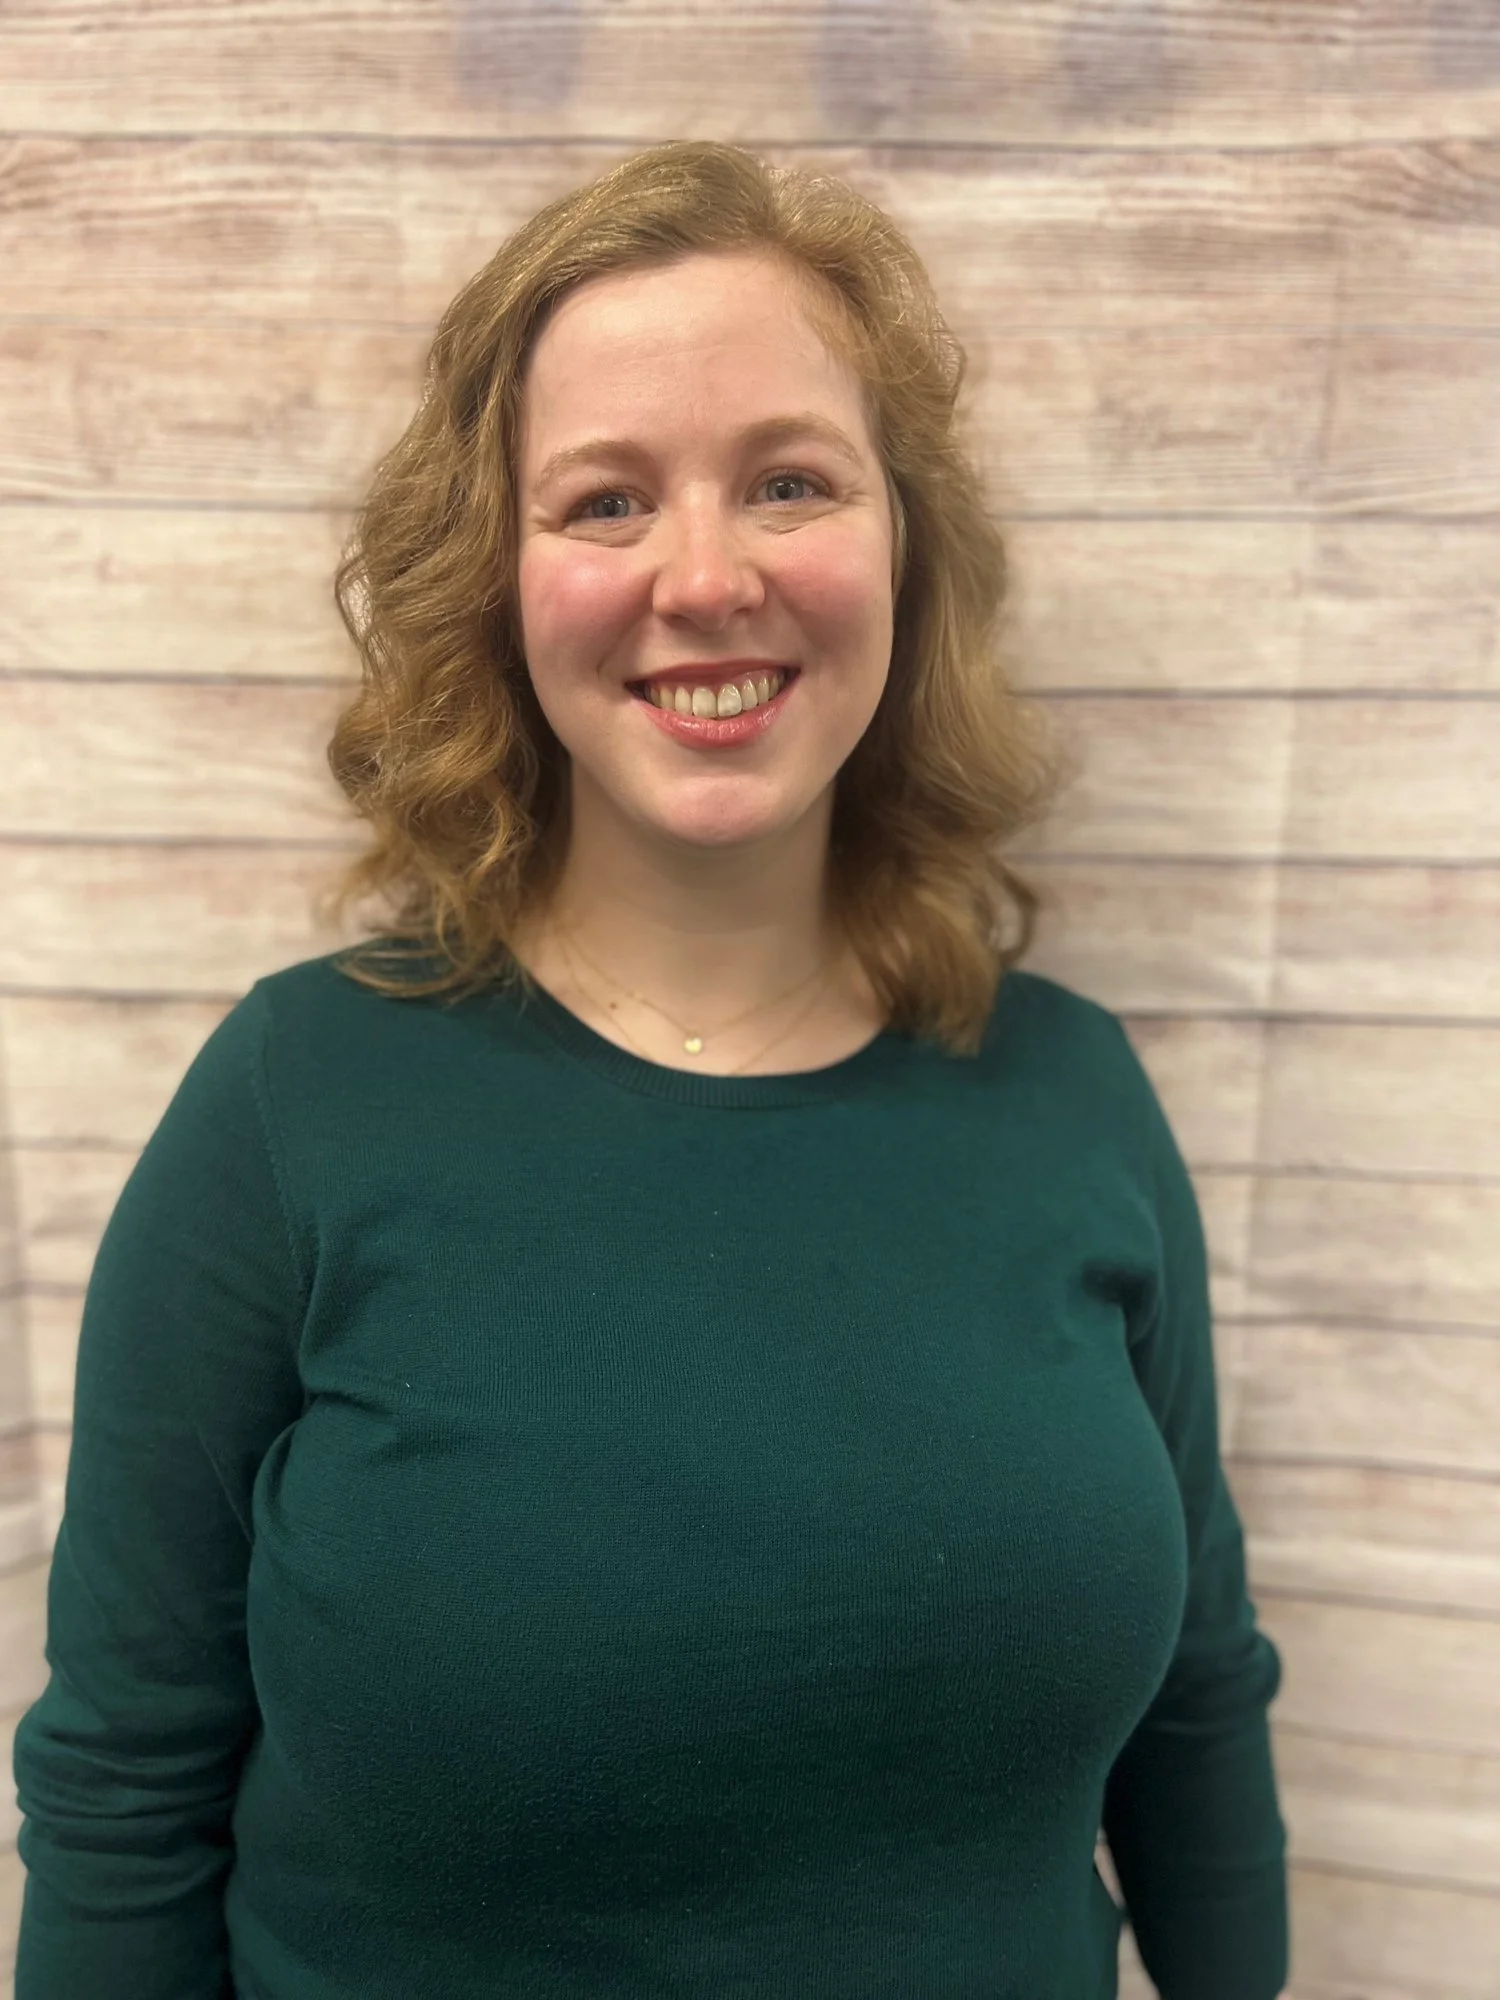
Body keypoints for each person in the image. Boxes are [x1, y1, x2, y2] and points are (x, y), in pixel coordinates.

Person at [11, 141, 1295, 1998]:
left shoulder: (1072, 1093)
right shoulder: (295, 1105)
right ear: (496, 580)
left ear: (904, 544)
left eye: (789, 480)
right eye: (605, 502)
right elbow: (128, 1781)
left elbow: (1196, 1702)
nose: (708, 576)